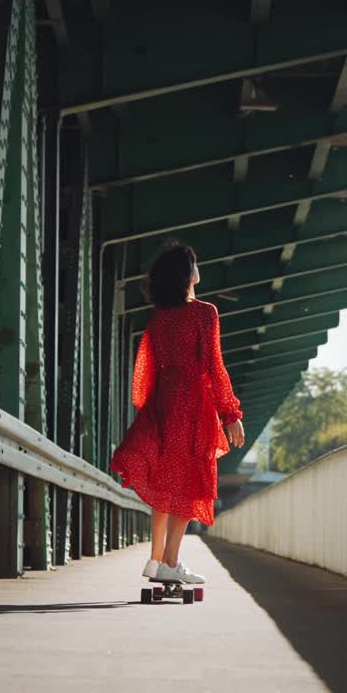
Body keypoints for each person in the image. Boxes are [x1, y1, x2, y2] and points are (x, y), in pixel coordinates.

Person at [109, 244, 245, 585]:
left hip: (164, 403)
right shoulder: (205, 313)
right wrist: (230, 414)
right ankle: (170, 561)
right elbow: (215, 366)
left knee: (165, 482)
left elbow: (146, 373)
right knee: (190, 483)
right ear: (188, 275)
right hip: (193, 405)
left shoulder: (160, 319)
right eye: (195, 264)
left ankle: (156, 560)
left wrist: (152, 410)